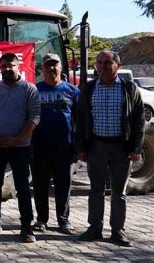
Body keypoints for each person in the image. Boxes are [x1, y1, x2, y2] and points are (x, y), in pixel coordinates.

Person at [76, 51, 144, 247]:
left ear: (117, 66)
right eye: (99, 63)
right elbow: (80, 121)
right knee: (96, 189)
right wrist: (81, 147)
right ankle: (94, 228)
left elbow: (139, 122)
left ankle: (117, 230)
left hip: (121, 148)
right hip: (96, 146)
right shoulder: (88, 89)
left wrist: (136, 147)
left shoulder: (129, 89)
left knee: (118, 191)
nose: (102, 66)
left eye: (107, 63)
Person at [0, 53, 40, 243]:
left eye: (10, 65)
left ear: (18, 66)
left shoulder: (29, 89)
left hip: (20, 147)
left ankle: (26, 226)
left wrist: (18, 139)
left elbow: (34, 118)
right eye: (3, 66)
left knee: (22, 187)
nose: (7, 69)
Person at [30, 54, 79, 235]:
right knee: (40, 186)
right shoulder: (34, 90)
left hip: (64, 148)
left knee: (63, 186)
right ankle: (41, 219)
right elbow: (27, 118)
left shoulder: (72, 91)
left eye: (55, 65)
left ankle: (64, 221)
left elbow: (79, 120)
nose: (51, 69)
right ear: (42, 69)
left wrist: (78, 145)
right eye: (47, 66)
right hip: (39, 147)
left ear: (60, 68)